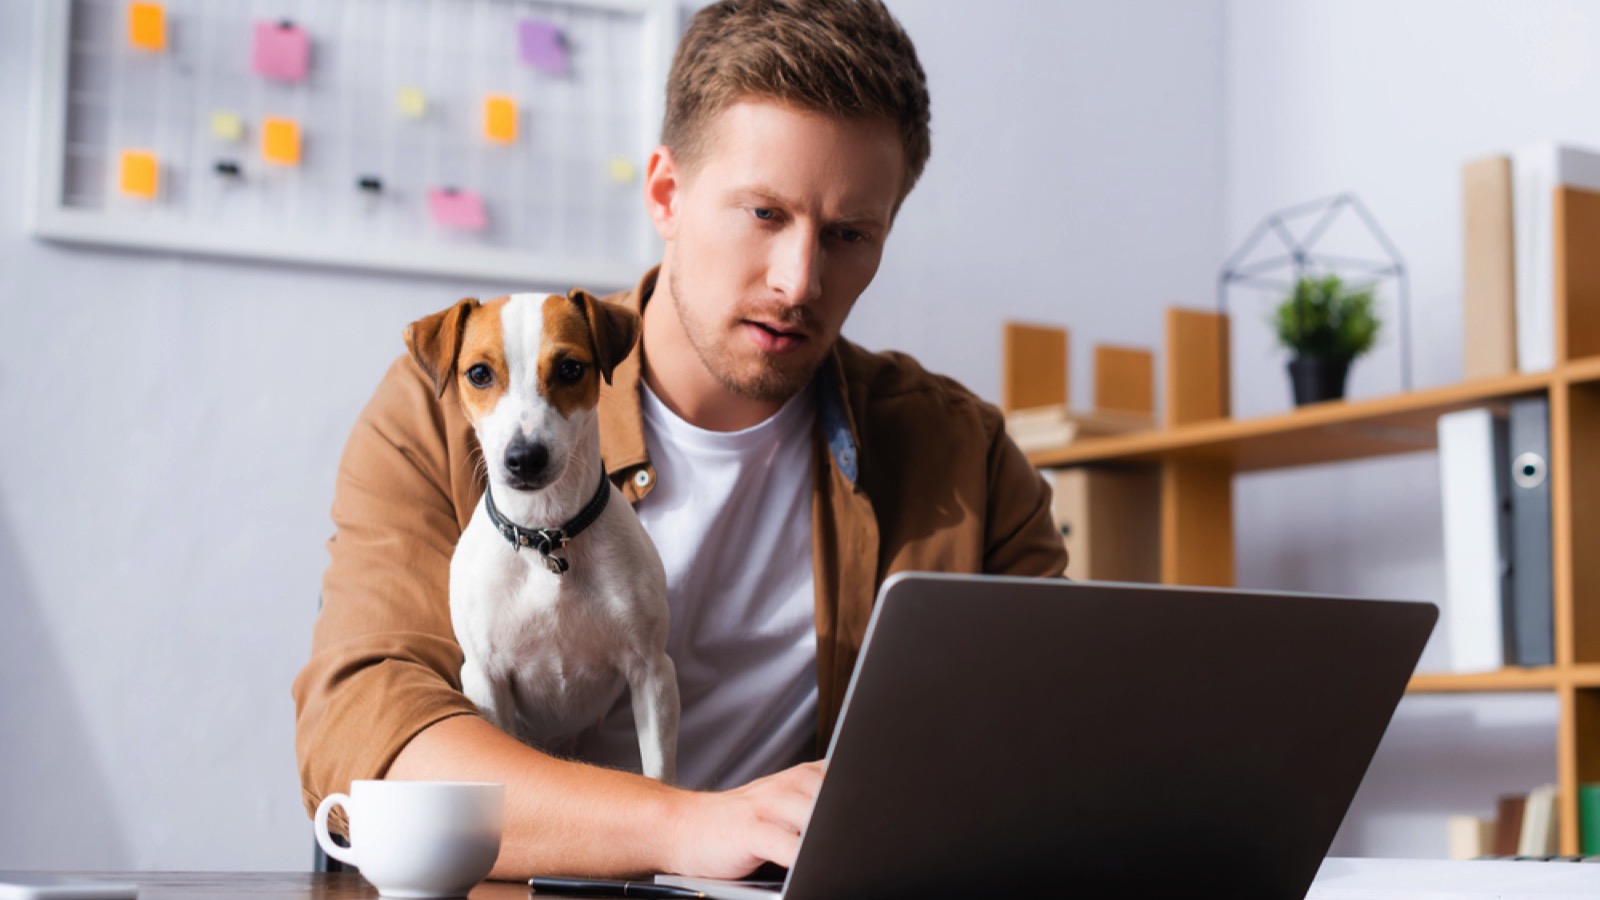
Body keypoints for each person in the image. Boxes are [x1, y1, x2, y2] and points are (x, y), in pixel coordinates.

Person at [292, 0, 1067, 881]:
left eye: (851, 235)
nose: (800, 281)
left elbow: (1055, 739)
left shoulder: (962, 456)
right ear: (666, 193)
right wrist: (680, 827)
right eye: (764, 214)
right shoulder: (446, 408)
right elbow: (367, 735)